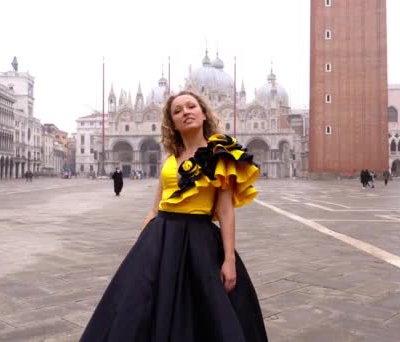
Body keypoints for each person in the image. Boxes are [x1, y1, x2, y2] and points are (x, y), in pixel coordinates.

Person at [80, 91, 268, 342]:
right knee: (139, 305)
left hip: (200, 240)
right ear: (172, 122)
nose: (185, 112)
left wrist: (229, 259)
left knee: (205, 307)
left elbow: (225, 211)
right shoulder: (170, 159)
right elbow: (155, 207)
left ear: (203, 113)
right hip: (159, 238)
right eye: (177, 111)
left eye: (191, 106)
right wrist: (140, 245)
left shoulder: (220, 153)